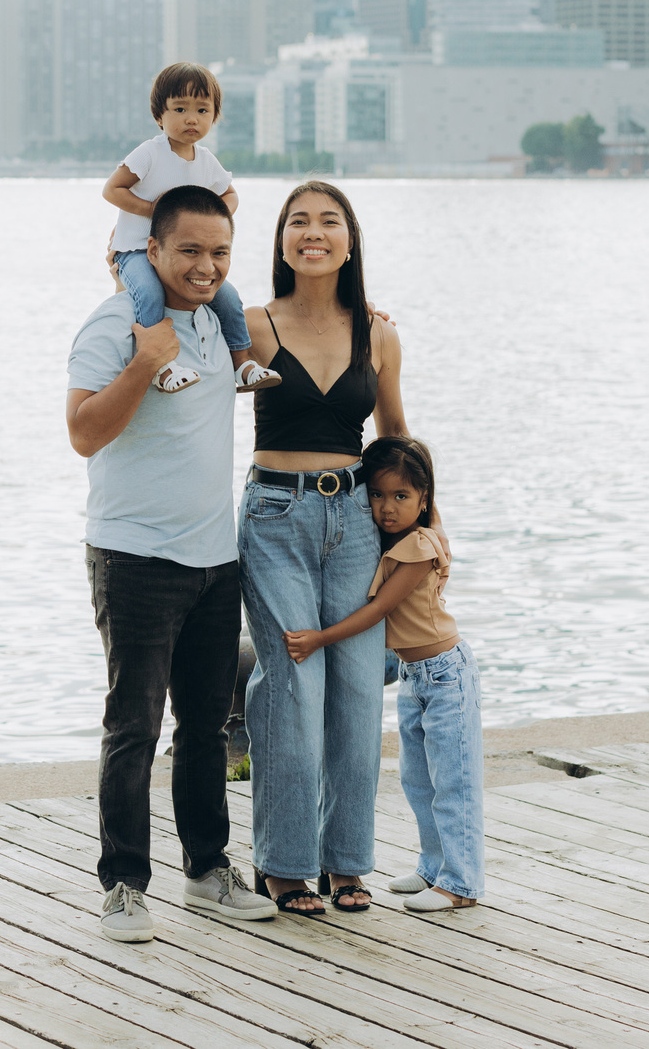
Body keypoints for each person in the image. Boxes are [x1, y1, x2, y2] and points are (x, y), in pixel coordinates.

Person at [64, 183, 278, 944]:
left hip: (215, 559)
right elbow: (84, 432)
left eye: (219, 252)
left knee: (205, 727)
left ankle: (208, 868)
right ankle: (123, 885)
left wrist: (368, 316)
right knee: (134, 726)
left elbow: (315, 325)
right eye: (188, 249)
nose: (205, 265)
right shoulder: (119, 322)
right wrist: (142, 363)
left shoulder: (226, 327)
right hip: (133, 558)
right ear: (150, 250)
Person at [239, 179, 408, 918]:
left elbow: (395, 440)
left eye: (329, 221)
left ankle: (346, 861)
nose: (314, 232)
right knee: (294, 685)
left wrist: (423, 535)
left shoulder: (379, 332)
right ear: (280, 241)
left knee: (358, 690)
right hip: (276, 515)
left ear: (350, 240)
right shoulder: (252, 322)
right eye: (298, 221)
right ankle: (283, 864)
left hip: (357, 523)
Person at [283, 435, 482, 911]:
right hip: (415, 678)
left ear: (424, 499)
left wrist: (319, 638)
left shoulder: (418, 547)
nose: (387, 508)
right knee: (418, 781)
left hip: (446, 675)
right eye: (377, 494)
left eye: (401, 496)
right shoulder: (400, 537)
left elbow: (377, 611)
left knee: (453, 782)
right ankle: (433, 867)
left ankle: (460, 884)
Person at [102, 63, 280, 396]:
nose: (191, 118)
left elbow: (230, 194)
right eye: (180, 109)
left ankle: (241, 363)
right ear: (160, 115)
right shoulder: (150, 153)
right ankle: (159, 364)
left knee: (228, 296)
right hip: (137, 250)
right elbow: (113, 189)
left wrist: (211, 218)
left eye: (202, 110)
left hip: (184, 256)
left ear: (214, 117)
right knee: (150, 294)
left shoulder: (206, 160)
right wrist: (153, 211)